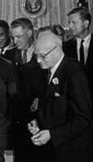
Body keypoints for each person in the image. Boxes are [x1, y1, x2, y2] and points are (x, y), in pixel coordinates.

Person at [27, 30, 92, 162]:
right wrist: (37, 122)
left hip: (72, 152)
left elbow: (83, 119)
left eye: (43, 56)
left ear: (56, 50)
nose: (38, 60)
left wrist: (52, 134)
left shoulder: (74, 74)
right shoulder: (46, 71)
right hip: (52, 151)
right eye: (36, 56)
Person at [63, 7, 93, 102]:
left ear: (86, 23)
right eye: (69, 23)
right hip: (75, 103)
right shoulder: (65, 48)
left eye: (74, 22)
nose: (70, 26)